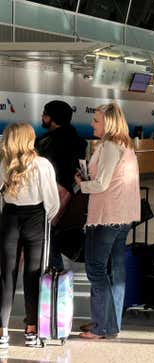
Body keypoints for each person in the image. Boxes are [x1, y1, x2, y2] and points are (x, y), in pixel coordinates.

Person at [75, 103, 140, 339]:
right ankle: (109, 322)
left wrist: (82, 184)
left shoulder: (110, 146)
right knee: (114, 269)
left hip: (107, 215)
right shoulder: (125, 145)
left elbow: (101, 184)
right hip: (122, 215)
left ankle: (103, 325)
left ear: (108, 123)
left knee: (96, 268)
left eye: (96, 120)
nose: (92, 124)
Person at [0, 123, 59, 348]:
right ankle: (31, 331)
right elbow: (52, 201)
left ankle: (2, 332)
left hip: (10, 219)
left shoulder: (5, 164)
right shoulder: (42, 165)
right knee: (33, 276)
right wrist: (47, 220)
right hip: (36, 219)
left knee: (6, 276)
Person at [37, 100, 88, 270]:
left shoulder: (46, 142)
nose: (42, 117)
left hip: (51, 198)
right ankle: (57, 279)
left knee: (49, 240)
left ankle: (53, 280)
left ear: (53, 118)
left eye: (45, 114)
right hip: (73, 198)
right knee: (58, 238)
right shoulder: (79, 141)